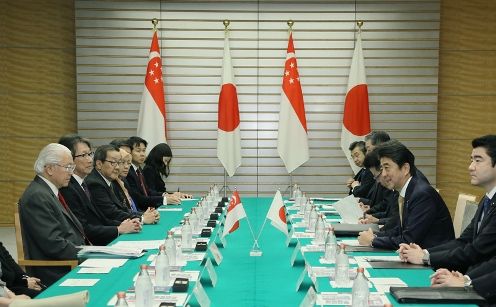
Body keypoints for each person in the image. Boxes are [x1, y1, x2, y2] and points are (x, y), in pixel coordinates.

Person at [399, 135, 496, 273]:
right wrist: (425, 253)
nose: (471, 167)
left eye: (478, 161)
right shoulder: (487, 199)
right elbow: (463, 241)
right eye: (471, 160)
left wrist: (426, 258)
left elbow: (476, 251)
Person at [357, 140, 454, 249]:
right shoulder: (407, 190)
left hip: (434, 261)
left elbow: (408, 240)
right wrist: (374, 236)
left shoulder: (421, 194)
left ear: (405, 169)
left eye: (387, 168)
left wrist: (373, 241)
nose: (383, 174)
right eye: (382, 168)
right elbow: (399, 230)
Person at [18, 143, 85, 286]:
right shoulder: (37, 196)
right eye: (67, 167)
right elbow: (54, 245)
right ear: (49, 169)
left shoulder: (48, 192)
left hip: (70, 261)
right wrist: (88, 254)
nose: (71, 173)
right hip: (56, 271)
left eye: (71, 167)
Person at [58, 134, 140, 245]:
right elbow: (83, 228)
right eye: (83, 155)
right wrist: (118, 229)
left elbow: (101, 219)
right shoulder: (68, 187)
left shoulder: (83, 184)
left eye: (90, 154)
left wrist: (125, 225)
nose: (89, 160)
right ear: (69, 159)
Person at [85, 145, 142, 224]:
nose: (118, 167)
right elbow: (111, 213)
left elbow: (122, 208)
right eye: (113, 163)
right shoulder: (95, 184)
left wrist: (142, 215)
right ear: (99, 164)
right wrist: (142, 218)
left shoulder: (109, 180)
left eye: (119, 163)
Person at [126, 137, 180, 208]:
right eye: (138, 151)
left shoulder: (139, 170)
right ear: (129, 153)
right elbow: (139, 198)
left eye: (144, 150)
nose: (142, 154)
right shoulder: (128, 172)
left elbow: (148, 192)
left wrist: (167, 195)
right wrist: (165, 199)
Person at [112, 148, 159, 224]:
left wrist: (144, 214)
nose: (126, 167)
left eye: (128, 163)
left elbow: (130, 208)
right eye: (123, 162)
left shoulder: (124, 180)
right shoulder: (112, 184)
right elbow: (117, 213)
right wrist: (142, 217)